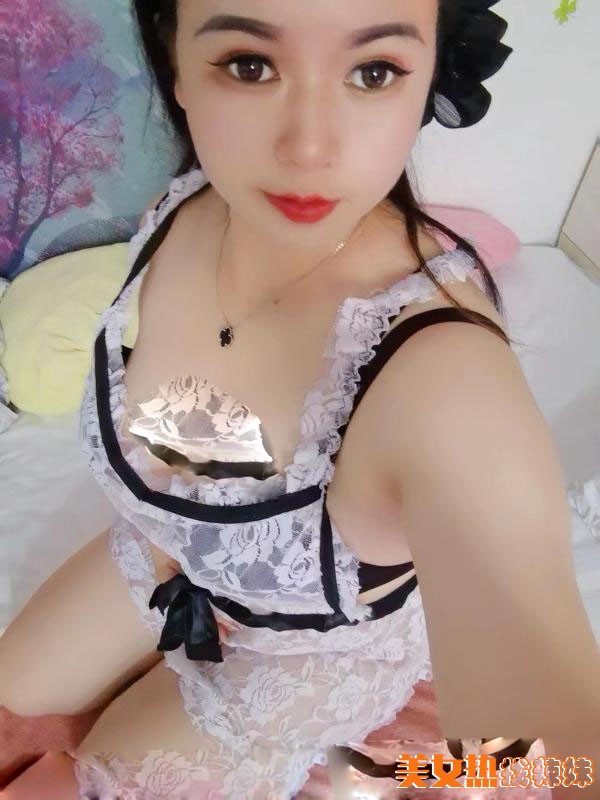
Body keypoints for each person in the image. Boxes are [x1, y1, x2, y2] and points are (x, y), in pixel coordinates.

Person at [1, 1, 599, 799]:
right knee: (14, 685)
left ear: (428, 74)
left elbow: (559, 754)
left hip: (305, 654)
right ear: (176, 62)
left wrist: (442, 770)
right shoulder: (185, 210)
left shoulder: (443, 382)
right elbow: (192, 425)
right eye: (250, 65)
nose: (309, 149)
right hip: (170, 548)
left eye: (374, 72)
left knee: (95, 777)